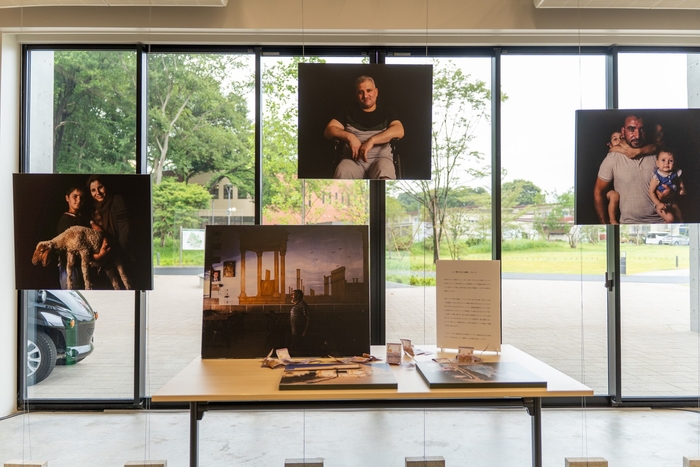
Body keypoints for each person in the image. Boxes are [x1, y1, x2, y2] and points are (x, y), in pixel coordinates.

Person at [324, 75, 404, 180]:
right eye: (360, 92)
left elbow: (399, 130)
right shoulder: (347, 111)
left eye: (369, 90)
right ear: (356, 95)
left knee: (385, 171)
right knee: (343, 170)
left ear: (376, 92)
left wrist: (372, 140)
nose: (365, 96)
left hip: (381, 159)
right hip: (353, 161)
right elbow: (328, 130)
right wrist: (350, 137)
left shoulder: (387, 112)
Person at [593, 115, 669, 224]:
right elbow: (598, 191)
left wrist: (670, 192)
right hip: (628, 225)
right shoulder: (613, 158)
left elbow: (675, 181)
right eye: (631, 129)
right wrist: (605, 226)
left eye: (641, 129)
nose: (637, 136)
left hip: (661, 222)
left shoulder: (658, 155)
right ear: (623, 132)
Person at [56, 185, 110, 289]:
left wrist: (104, 242)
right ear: (67, 198)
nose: (78, 200)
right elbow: (71, 250)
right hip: (71, 268)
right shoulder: (64, 222)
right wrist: (97, 257)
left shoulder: (84, 218)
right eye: (75, 196)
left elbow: (99, 231)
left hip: (87, 267)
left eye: (81, 197)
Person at [86, 175, 132, 287]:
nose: (98, 192)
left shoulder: (116, 200)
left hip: (120, 253)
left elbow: (124, 231)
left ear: (105, 186)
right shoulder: (90, 209)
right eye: (93, 190)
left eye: (100, 187)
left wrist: (117, 255)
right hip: (102, 259)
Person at [648, 148, 685, 223]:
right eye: (663, 160)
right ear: (657, 163)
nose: (666, 163)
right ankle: (664, 224)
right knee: (670, 218)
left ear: (674, 163)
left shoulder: (674, 173)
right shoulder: (657, 177)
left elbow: (679, 180)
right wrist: (658, 203)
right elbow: (651, 192)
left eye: (670, 161)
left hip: (671, 200)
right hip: (661, 202)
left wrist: (682, 188)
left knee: (680, 216)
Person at [289, 289, 310, 353]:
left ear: (298, 295)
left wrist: (305, 331)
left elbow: (308, 318)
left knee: (298, 350)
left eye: (293, 294)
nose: (291, 296)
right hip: (294, 332)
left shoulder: (303, 305)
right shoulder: (297, 305)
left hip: (300, 332)